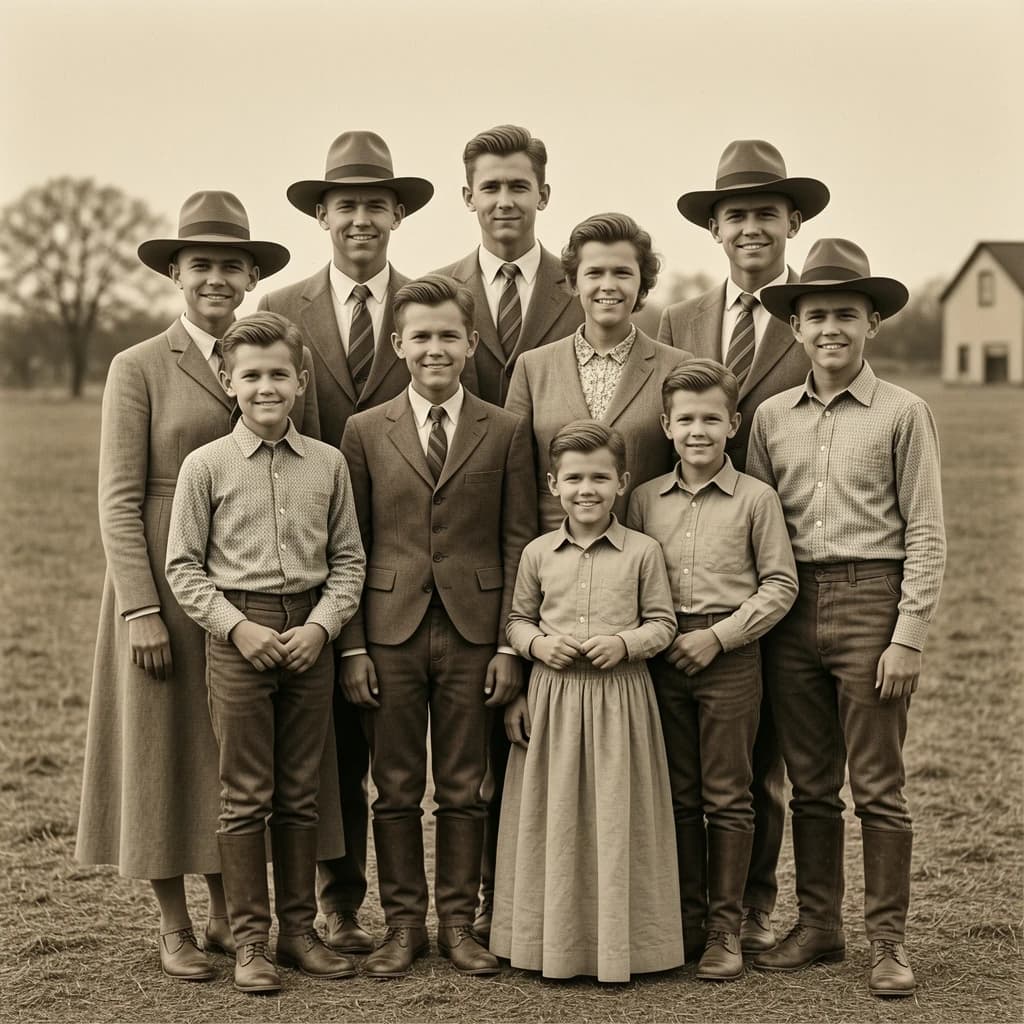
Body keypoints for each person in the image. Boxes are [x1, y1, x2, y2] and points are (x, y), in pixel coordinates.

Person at [74, 191, 324, 982]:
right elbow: (118, 497)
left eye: (231, 265)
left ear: (252, 277)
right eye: (200, 264)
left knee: (228, 755)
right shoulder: (140, 365)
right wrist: (140, 607)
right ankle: (173, 922)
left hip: (251, 580)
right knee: (160, 746)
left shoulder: (272, 355)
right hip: (165, 573)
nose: (216, 278)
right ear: (176, 274)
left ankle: (228, 914)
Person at [259, 129, 442, 956]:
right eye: (344, 206)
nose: (360, 219)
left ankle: (448, 908)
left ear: (398, 214)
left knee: (407, 757)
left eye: (375, 205)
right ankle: (337, 903)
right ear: (321, 216)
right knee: (328, 750)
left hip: (410, 557)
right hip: (311, 563)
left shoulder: (429, 309)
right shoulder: (281, 310)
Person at [747, 239, 946, 997]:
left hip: (872, 599)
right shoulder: (771, 417)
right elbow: (754, 522)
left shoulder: (903, 412)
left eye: (846, 315)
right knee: (810, 782)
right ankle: (819, 925)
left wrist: (907, 636)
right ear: (796, 327)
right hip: (791, 605)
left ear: (872, 323)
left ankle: (888, 941)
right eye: (817, 315)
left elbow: (926, 531)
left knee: (879, 786)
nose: (831, 328)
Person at [657, 140, 831, 954]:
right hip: (689, 552)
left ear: (793, 222)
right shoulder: (680, 322)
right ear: (715, 229)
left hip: (781, 554)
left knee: (763, 762)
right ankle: (689, 910)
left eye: (766, 213)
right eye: (736, 215)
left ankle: (752, 904)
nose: (750, 228)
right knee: (687, 772)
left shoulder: (814, 320)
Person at [337, 275, 536, 978]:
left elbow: (518, 541)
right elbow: (351, 544)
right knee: (393, 787)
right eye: (420, 336)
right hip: (387, 632)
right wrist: (352, 646)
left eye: (449, 335)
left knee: (464, 785)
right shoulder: (365, 431)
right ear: (398, 344)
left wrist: (510, 643)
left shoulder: (504, 429)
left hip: (474, 632)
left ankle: (457, 922)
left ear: (471, 342)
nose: (435, 349)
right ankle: (402, 925)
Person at [166, 312, 366, 993]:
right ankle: (249, 940)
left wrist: (322, 628)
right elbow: (184, 566)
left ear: (301, 380)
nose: (266, 387)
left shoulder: (328, 464)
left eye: (279, 374)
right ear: (229, 381)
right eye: (250, 375)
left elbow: (349, 562)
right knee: (246, 793)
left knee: (301, 793)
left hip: (309, 636)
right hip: (240, 639)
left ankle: (299, 933)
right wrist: (235, 627)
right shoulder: (206, 465)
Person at [491, 420, 682, 982]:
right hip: (553, 699)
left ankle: (623, 946)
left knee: (617, 817)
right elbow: (517, 619)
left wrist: (625, 644)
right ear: (554, 485)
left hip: (620, 700)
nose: (586, 490)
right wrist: (537, 646)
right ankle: (548, 942)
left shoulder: (643, 551)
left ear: (622, 482)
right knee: (552, 818)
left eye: (600, 478)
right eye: (573, 478)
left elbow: (663, 623)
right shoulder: (537, 553)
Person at [627, 360, 797, 980]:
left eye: (710, 419)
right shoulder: (644, 499)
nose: (697, 431)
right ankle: (686, 920)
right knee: (677, 793)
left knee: (729, 794)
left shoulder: (756, 499)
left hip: (730, 657)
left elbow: (780, 584)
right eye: (685, 420)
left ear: (734, 424)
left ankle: (727, 927)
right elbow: (628, 571)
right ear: (666, 426)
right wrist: (655, 637)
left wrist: (719, 638)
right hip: (662, 656)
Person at [506, 212, 691, 534]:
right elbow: (515, 482)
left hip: (646, 550)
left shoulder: (675, 367)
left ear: (642, 283)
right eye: (594, 273)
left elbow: (687, 475)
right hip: (553, 553)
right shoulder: (532, 367)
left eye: (622, 273)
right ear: (573, 282)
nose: (608, 285)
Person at [434, 124, 582, 407]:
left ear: (543, 196)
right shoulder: (438, 291)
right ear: (469, 198)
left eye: (518, 187)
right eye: (490, 188)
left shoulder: (581, 289)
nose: (504, 202)